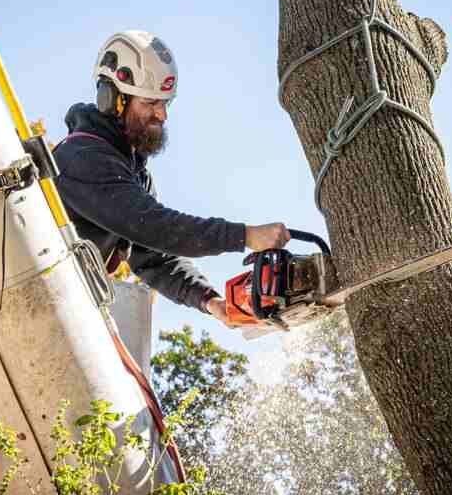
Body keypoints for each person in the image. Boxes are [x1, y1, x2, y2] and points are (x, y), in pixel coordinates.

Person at [53, 30, 290, 327]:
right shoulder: (82, 157)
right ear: (112, 99)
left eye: (165, 102)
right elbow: (154, 227)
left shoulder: (134, 174)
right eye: (150, 103)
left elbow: (154, 257)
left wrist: (209, 301)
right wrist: (244, 235)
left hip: (66, 308)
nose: (162, 115)